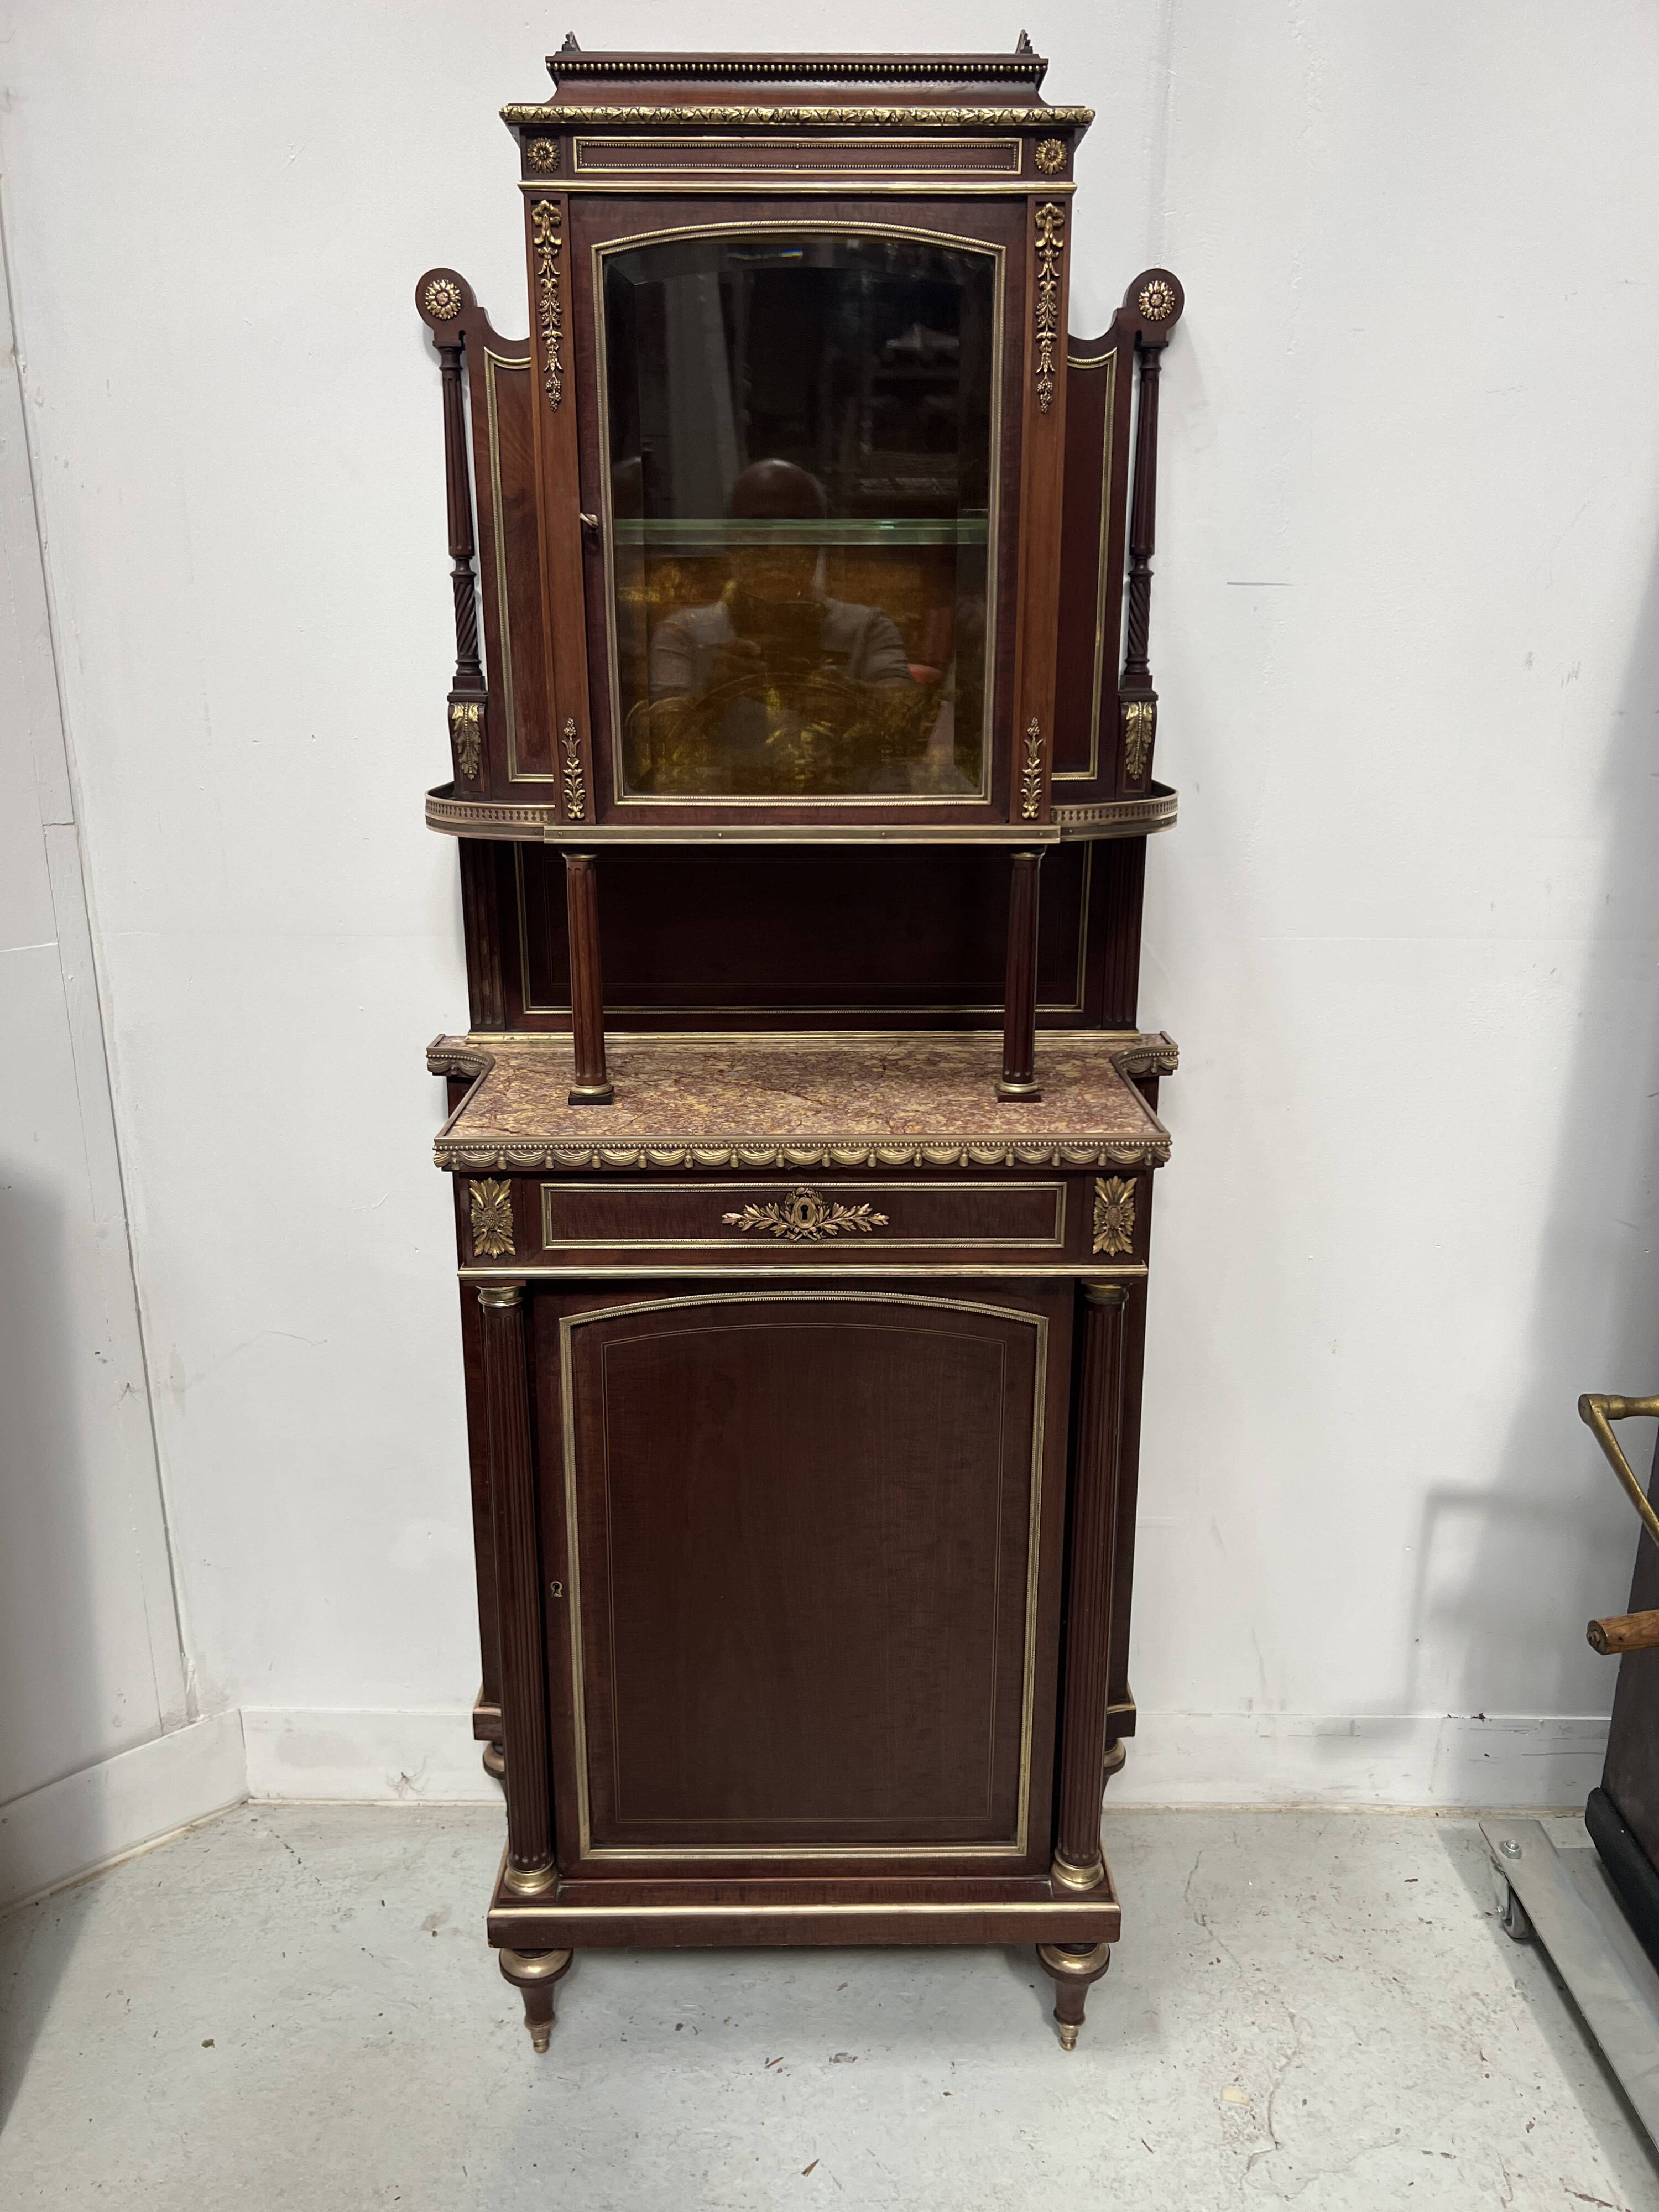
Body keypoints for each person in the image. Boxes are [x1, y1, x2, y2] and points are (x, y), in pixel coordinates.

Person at [637, 460, 930, 794]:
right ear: (731, 541)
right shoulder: (683, 633)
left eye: (795, 532)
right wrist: (715, 695)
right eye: (757, 532)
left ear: (819, 543)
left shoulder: (868, 627)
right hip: (734, 818)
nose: (776, 548)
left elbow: (906, 719)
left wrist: (848, 697)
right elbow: (661, 743)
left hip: (842, 815)